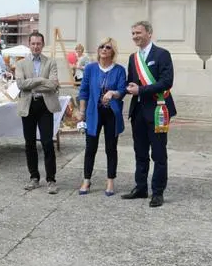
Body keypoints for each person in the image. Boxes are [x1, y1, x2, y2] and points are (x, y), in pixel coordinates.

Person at [124, 20, 176, 208]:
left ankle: (158, 192)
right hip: (138, 111)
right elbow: (130, 83)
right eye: (133, 34)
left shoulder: (162, 54)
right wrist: (118, 92)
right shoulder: (133, 58)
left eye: (138, 33)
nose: (135, 36)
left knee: (159, 154)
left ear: (149, 33)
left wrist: (141, 90)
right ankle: (140, 187)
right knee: (140, 152)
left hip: (157, 111)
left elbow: (167, 82)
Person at [74, 38, 126, 197]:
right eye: (101, 47)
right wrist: (82, 112)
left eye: (108, 47)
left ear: (113, 51)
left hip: (112, 113)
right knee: (90, 148)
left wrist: (113, 93)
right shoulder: (90, 68)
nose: (104, 49)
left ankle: (110, 180)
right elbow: (84, 91)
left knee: (111, 148)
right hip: (92, 113)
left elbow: (122, 90)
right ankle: (87, 179)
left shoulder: (119, 70)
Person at [15, 31, 61, 194]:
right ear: (29, 44)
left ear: (43, 45)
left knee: (48, 143)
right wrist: (42, 80)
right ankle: (34, 177)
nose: (36, 46)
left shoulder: (51, 62)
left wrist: (33, 84)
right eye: (33, 43)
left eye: (38, 44)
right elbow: (20, 84)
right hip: (28, 105)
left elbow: (54, 85)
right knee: (29, 143)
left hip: (45, 105)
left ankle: (51, 179)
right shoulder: (21, 64)